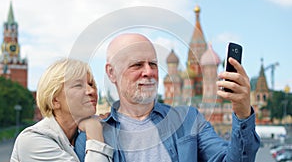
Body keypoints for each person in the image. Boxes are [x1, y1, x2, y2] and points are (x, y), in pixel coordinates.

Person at [75, 33, 260, 162]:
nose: (148, 72)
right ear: (112, 73)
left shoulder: (189, 120)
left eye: (153, 64)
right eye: (137, 65)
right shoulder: (93, 137)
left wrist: (243, 112)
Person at [10, 58, 113, 162]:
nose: (91, 91)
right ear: (55, 100)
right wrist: (94, 131)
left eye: (91, 84)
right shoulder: (32, 141)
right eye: (78, 85)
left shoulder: (80, 136)